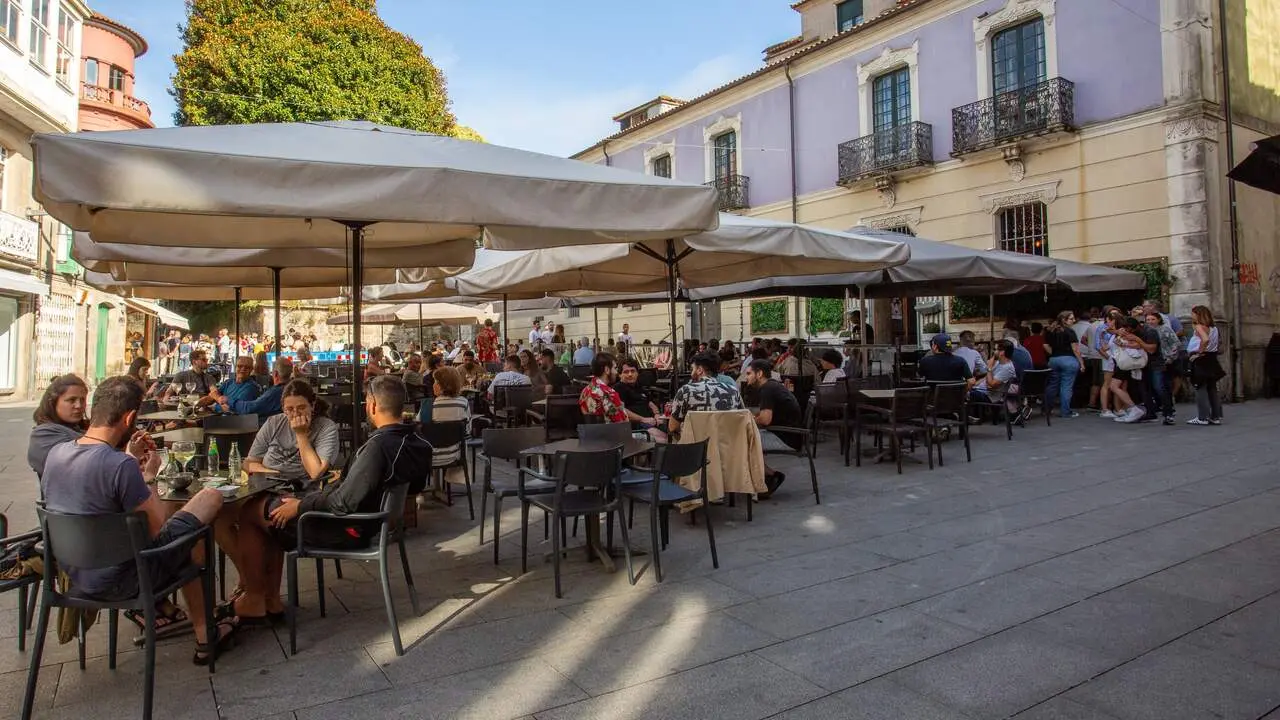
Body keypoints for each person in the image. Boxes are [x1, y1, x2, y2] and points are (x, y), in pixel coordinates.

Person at [40, 377, 234, 664]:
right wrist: (149, 476)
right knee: (209, 500)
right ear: (130, 417)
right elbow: (157, 531)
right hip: (129, 580)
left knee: (188, 532)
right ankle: (206, 635)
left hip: (78, 576)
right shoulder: (118, 465)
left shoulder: (56, 454)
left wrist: (131, 462)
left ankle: (206, 634)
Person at [228, 375, 430, 624]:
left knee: (252, 513)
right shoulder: (417, 442)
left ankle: (256, 598)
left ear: (372, 405)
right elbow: (415, 487)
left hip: (348, 529)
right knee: (268, 513)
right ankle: (267, 599)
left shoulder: (377, 447)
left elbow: (343, 502)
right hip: (372, 523)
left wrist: (300, 506)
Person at [244, 379, 340, 488]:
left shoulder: (326, 427)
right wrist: (275, 475)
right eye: (289, 409)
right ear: (283, 409)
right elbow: (249, 463)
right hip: (266, 485)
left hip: (300, 489)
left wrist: (301, 434)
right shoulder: (274, 422)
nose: (296, 414)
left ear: (312, 405)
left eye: (301, 408)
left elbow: (316, 473)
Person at [742, 359, 801, 493]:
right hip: (792, 434)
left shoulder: (767, 389)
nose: (746, 377)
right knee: (745, 439)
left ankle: (771, 476)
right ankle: (768, 476)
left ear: (759, 374)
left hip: (786, 438)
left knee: (741, 443)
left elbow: (765, 420)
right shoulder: (773, 386)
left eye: (749, 373)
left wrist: (747, 419)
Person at [28, 374, 89, 479]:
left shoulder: (84, 427)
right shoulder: (43, 435)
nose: (79, 406)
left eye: (82, 400)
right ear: (53, 402)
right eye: (71, 400)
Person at [667, 352, 743, 435]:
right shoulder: (733, 391)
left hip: (695, 445)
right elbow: (741, 417)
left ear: (699, 370)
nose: (691, 372)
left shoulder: (686, 391)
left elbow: (673, 427)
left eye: (692, 368)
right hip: (726, 444)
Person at [1186, 305, 1223, 426]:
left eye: (1193, 314)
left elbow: (1205, 339)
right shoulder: (1214, 328)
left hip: (1202, 358)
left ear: (1198, 315)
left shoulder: (1199, 326)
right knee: (1212, 388)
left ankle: (1203, 417)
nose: (1191, 316)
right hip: (1211, 358)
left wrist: (1199, 352)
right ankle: (1216, 416)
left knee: (1200, 387)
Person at [1044, 311, 1083, 418]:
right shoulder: (1070, 332)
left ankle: (1047, 409)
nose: (1074, 320)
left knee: (1052, 385)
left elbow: (1045, 345)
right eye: (1071, 318)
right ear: (1064, 320)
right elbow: (1075, 349)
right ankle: (1065, 412)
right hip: (1069, 360)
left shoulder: (1050, 331)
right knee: (1066, 386)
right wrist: (1081, 363)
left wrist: (1055, 353)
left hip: (1053, 360)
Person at [1135, 312, 1173, 425]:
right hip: (1146, 363)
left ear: (1158, 320)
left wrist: (1170, 357)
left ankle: (1168, 413)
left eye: (1153, 319)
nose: (1150, 322)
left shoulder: (1161, 330)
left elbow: (1153, 348)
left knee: (1159, 387)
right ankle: (1152, 412)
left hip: (1158, 362)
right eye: (1148, 319)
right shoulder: (1143, 332)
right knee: (1146, 388)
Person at [578, 352, 627, 423]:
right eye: (615, 368)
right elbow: (622, 423)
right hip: (612, 433)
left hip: (591, 433)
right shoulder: (610, 394)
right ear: (607, 370)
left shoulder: (585, 391)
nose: (616, 372)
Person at [616, 357, 662, 425]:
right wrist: (643, 419)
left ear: (637, 373)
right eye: (626, 372)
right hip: (637, 427)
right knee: (662, 435)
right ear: (620, 375)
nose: (630, 374)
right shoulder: (619, 388)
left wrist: (657, 415)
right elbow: (621, 411)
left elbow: (650, 403)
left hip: (651, 422)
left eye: (633, 371)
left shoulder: (639, 386)